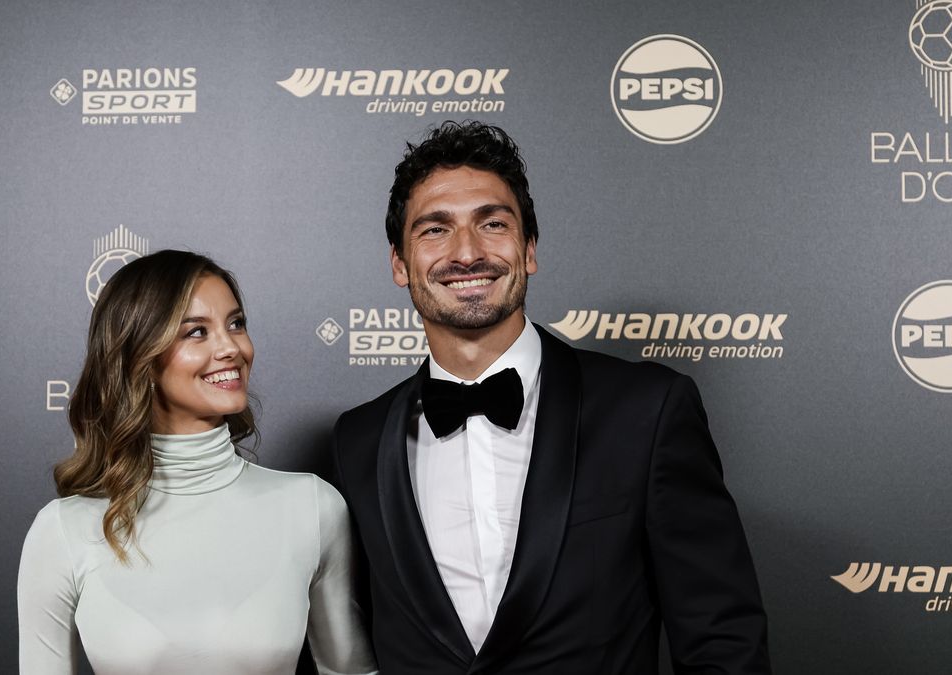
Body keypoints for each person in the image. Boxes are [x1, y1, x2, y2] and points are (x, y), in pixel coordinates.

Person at [330, 122, 771, 673]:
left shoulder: (647, 411)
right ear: (399, 263)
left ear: (529, 249)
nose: (466, 253)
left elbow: (722, 639)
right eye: (434, 231)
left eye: (492, 223)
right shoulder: (358, 440)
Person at [18, 250, 377, 675]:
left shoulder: (312, 506)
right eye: (196, 332)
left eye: (236, 324)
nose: (231, 348)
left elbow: (350, 671)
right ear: (141, 357)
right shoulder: (64, 530)